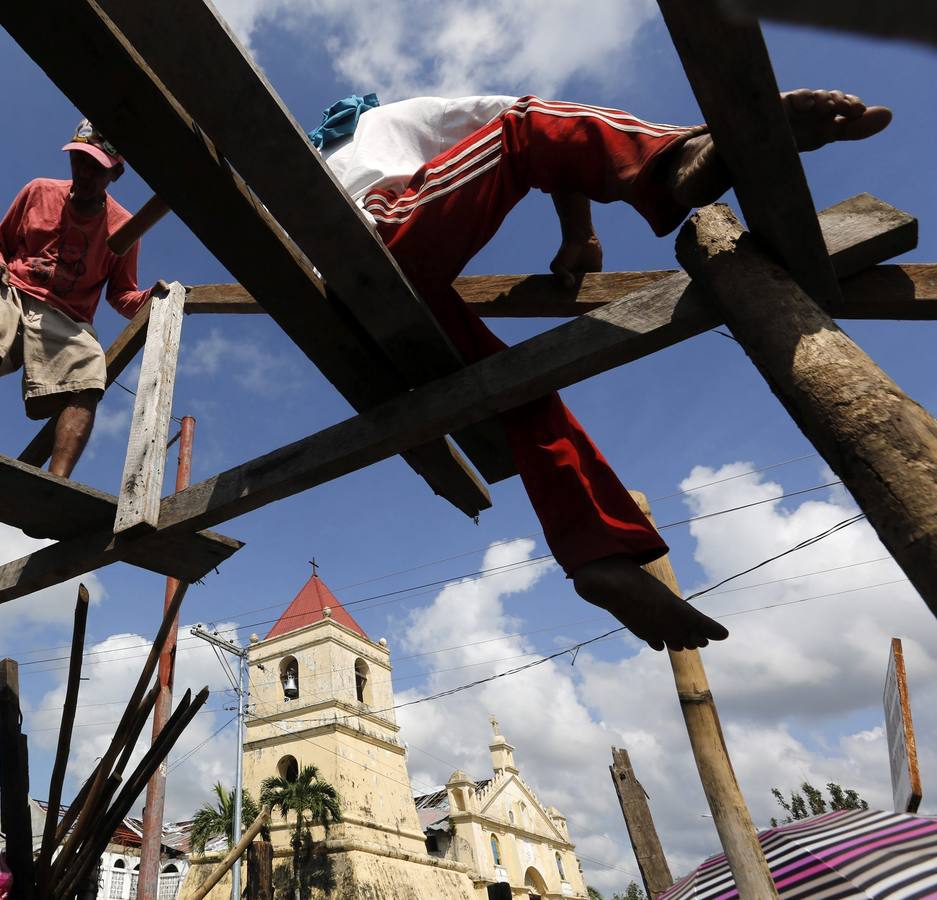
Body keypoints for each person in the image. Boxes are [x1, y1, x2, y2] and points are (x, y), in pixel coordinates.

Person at [313, 89, 891, 651]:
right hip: (383, 234)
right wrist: (580, 231)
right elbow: (534, 126)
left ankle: (600, 555)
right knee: (524, 125)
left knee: (522, 391)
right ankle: (671, 158)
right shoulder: (399, 118)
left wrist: (576, 235)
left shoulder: (321, 158)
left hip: (361, 299)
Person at [0, 119, 165, 477]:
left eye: (96, 168)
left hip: (68, 317)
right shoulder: (39, 191)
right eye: (79, 161)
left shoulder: (124, 227)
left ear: (115, 175)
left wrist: (155, 298)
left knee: (90, 373)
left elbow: (121, 294)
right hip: (14, 290)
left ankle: (57, 480)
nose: (85, 172)